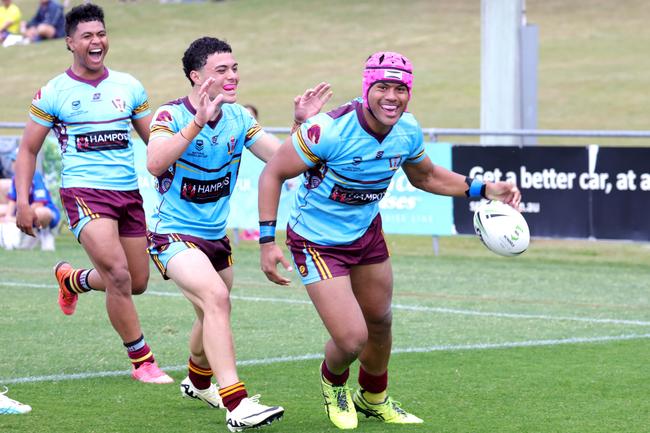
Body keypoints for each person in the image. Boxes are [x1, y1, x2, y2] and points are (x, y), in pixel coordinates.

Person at [258, 51, 522, 430]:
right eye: (382, 86)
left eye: (400, 88)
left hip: (366, 235)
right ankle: (334, 383)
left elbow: (426, 177)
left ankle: (373, 397)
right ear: (367, 88)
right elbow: (272, 174)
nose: (392, 96)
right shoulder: (328, 130)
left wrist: (484, 189)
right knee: (351, 340)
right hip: (316, 242)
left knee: (380, 322)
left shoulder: (407, 130)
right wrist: (267, 242)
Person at [146, 36, 331, 431]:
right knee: (215, 299)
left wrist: (303, 124)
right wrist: (197, 121)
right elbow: (155, 162)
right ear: (197, 77)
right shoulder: (169, 115)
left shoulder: (239, 119)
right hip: (172, 234)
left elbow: (285, 160)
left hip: (216, 236)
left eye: (234, 68)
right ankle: (237, 403)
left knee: (210, 309)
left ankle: (197, 382)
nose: (233, 76)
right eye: (221, 70)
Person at [14, 3, 172, 384]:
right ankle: (143, 361)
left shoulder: (129, 86)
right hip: (85, 193)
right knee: (117, 275)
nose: (96, 41)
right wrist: (22, 202)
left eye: (101, 34)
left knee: (136, 282)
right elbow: (28, 150)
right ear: (70, 42)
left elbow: (155, 142)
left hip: (128, 194)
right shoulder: (53, 92)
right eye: (87, 35)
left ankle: (73, 280)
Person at [4, 148, 59, 251]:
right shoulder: (15, 178)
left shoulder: (35, 175)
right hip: (26, 213)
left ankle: (44, 232)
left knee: (40, 212)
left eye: (15, 161)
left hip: (47, 213)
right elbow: (12, 200)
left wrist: (17, 216)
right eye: (12, 161)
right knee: (4, 213)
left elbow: (39, 204)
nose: (13, 164)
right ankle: (24, 237)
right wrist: (7, 217)